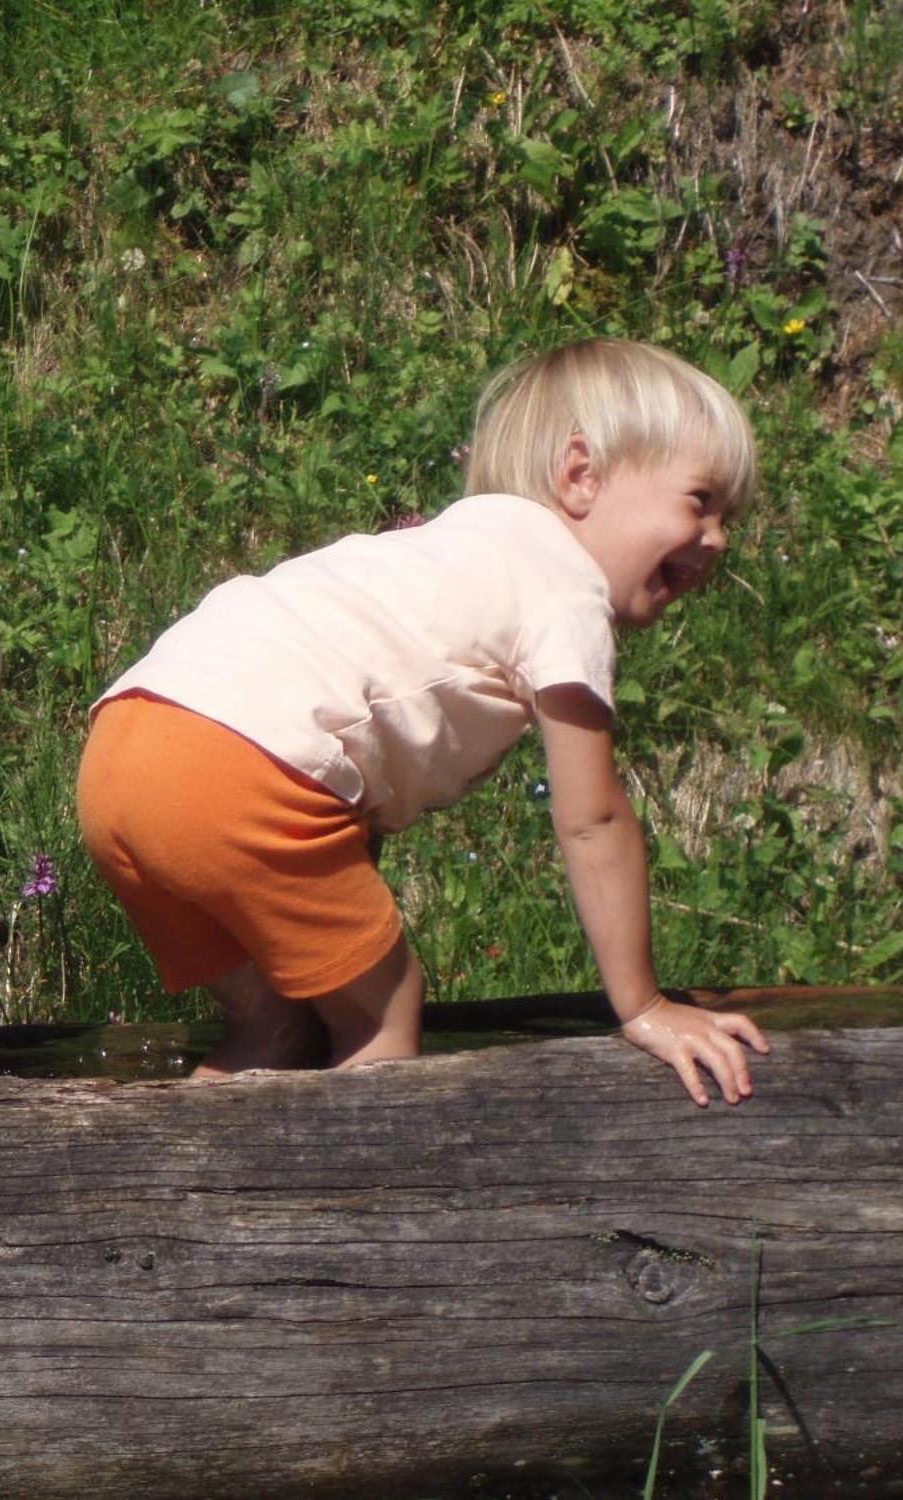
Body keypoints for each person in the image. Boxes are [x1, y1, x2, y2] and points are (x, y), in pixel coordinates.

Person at [77, 339, 770, 1105]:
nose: (719, 538)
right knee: (385, 1014)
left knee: (276, 1030)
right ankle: (357, 1205)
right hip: (235, 774)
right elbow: (593, 819)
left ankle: (173, 1169)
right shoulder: (564, 583)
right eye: (700, 501)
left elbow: (337, 736)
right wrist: (645, 1006)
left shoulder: (445, 552)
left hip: (123, 753)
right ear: (582, 475)